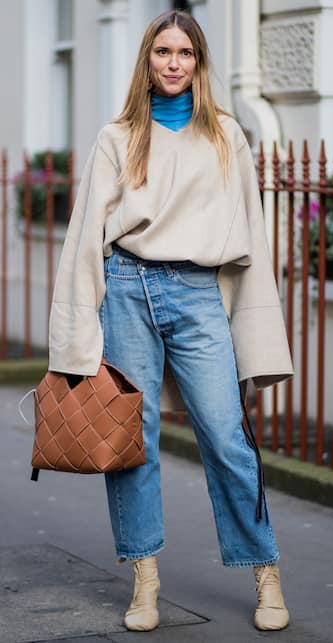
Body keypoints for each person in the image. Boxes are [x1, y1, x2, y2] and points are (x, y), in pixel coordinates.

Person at [49, 9, 294, 634]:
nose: (174, 62)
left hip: (198, 291)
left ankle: (264, 569)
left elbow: (251, 241)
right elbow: (84, 240)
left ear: (200, 62)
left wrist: (258, 336)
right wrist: (73, 341)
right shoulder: (116, 137)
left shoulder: (226, 136)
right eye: (163, 51)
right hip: (127, 287)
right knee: (135, 441)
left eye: (186, 52)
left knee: (227, 437)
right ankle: (144, 577)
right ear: (147, 60)